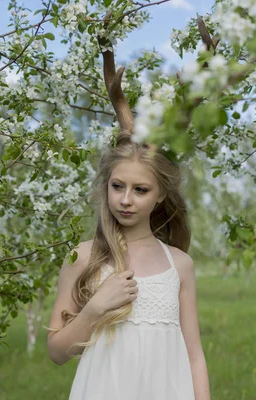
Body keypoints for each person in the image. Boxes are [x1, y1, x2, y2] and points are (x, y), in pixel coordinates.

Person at [46, 133, 211, 399]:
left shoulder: (179, 265)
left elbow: (194, 356)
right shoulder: (83, 258)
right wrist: (95, 308)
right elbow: (57, 352)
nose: (125, 200)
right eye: (117, 186)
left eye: (140, 190)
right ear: (106, 186)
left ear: (160, 195)